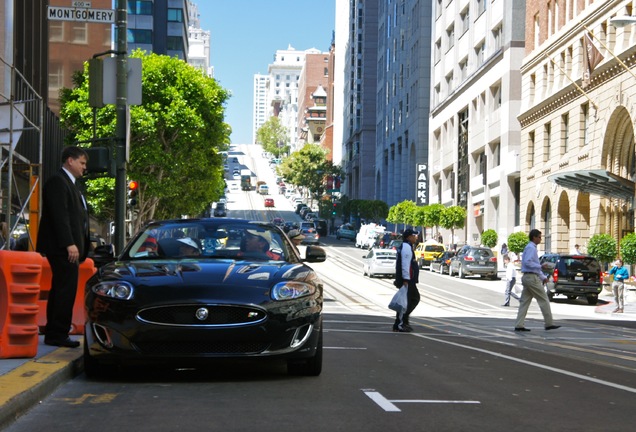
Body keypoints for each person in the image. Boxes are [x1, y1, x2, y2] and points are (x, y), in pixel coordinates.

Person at [36, 146, 90, 348]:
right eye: (82, 163)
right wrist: (69, 243)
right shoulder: (57, 182)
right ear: (70, 160)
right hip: (62, 247)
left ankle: (56, 332)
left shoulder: (71, 184)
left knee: (63, 288)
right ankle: (57, 333)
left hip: (68, 247)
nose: (84, 168)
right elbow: (61, 216)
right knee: (64, 289)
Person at [514, 229, 560, 332]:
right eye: (539, 237)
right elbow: (528, 262)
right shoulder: (531, 248)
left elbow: (531, 266)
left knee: (524, 302)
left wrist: (543, 277)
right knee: (543, 299)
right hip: (531, 278)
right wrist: (541, 266)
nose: (540, 239)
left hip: (528, 277)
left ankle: (519, 324)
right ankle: (549, 323)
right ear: (534, 237)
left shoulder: (529, 247)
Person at [393, 228, 420, 333]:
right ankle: (400, 323)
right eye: (414, 235)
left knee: (408, 301)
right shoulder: (406, 247)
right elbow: (405, 265)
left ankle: (403, 321)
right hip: (407, 280)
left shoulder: (407, 246)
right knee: (410, 300)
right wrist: (405, 279)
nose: (416, 237)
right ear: (409, 237)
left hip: (409, 279)